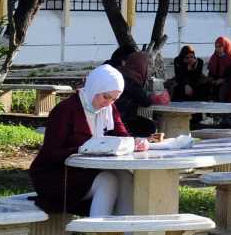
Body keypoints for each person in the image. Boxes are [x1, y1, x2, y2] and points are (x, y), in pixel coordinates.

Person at [28, 64, 136, 218]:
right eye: (106, 97)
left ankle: (125, 231)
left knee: (125, 176)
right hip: (56, 174)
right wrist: (81, 150)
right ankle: (97, 231)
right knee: (108, 180)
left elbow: (122, 135)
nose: (108, 103)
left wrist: (134, 142)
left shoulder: (108, 110)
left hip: (86, 171)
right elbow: (51, 153)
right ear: (94, 87)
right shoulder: (65, 110)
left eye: (114, 99)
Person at [114, 50, 167, 137]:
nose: (149, 70)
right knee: (150, 127)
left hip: (115, 118)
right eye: (148, 67)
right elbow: (146, 102)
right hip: (119, 122)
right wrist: (155, 97)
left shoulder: (121, 74)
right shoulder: (130, 79)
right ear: (141, 66)